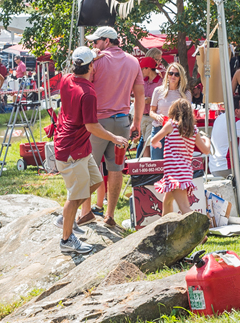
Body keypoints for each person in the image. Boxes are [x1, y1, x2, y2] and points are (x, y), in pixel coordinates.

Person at [53, 46, 128, 254]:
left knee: (95, 182)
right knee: (74, 195)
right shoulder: (88, 94)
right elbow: (92, 127)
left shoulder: (66, 79)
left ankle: (65, 218)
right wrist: (114, 138)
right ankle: (67, 240)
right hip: (72, 150)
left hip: (78, 147)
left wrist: (94, 55)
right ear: (92, 67)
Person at [87, 26, 145, 227]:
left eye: (95, 42)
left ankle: (86, 212)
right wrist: (136, 122)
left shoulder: (98, 61)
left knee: (89, 166)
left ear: (107, 41)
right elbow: (139, 95)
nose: (93, 45)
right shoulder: (133, 61)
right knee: (116, 169)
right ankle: (109, 214)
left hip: (98, 123)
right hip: (122, 121)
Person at [151, 98, 211, 215]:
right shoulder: (193, 130)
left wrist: (157, 143)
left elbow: (154, 139)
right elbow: (206, 150)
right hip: (184, 172)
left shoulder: (171, 125)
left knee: (185, 209)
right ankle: (166, 230)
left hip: (174, 173)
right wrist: (207, 140)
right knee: (167, 202)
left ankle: (200, 233)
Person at [148, 61, 191, 159]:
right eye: (171, 73)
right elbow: (151, 111)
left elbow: (188, 115)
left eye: (176, 74)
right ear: (167, 75)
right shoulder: (158, 91)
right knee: (157, 163)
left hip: (177, 131)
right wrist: (157, 116)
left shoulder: (185, 93)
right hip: (159, 128)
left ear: (180, 77)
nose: (173, 76)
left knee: (175, 163)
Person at [136, 57, 161, 158]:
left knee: (147, 142)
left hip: (153, 116)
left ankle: (148, 167)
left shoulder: (161, 82)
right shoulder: (143, 81)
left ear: (148, 68)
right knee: (145, 141)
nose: (141, 71)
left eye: (142, 69)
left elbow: (162, 99)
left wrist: (149, 100)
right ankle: (147, 166)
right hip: (143, 115)